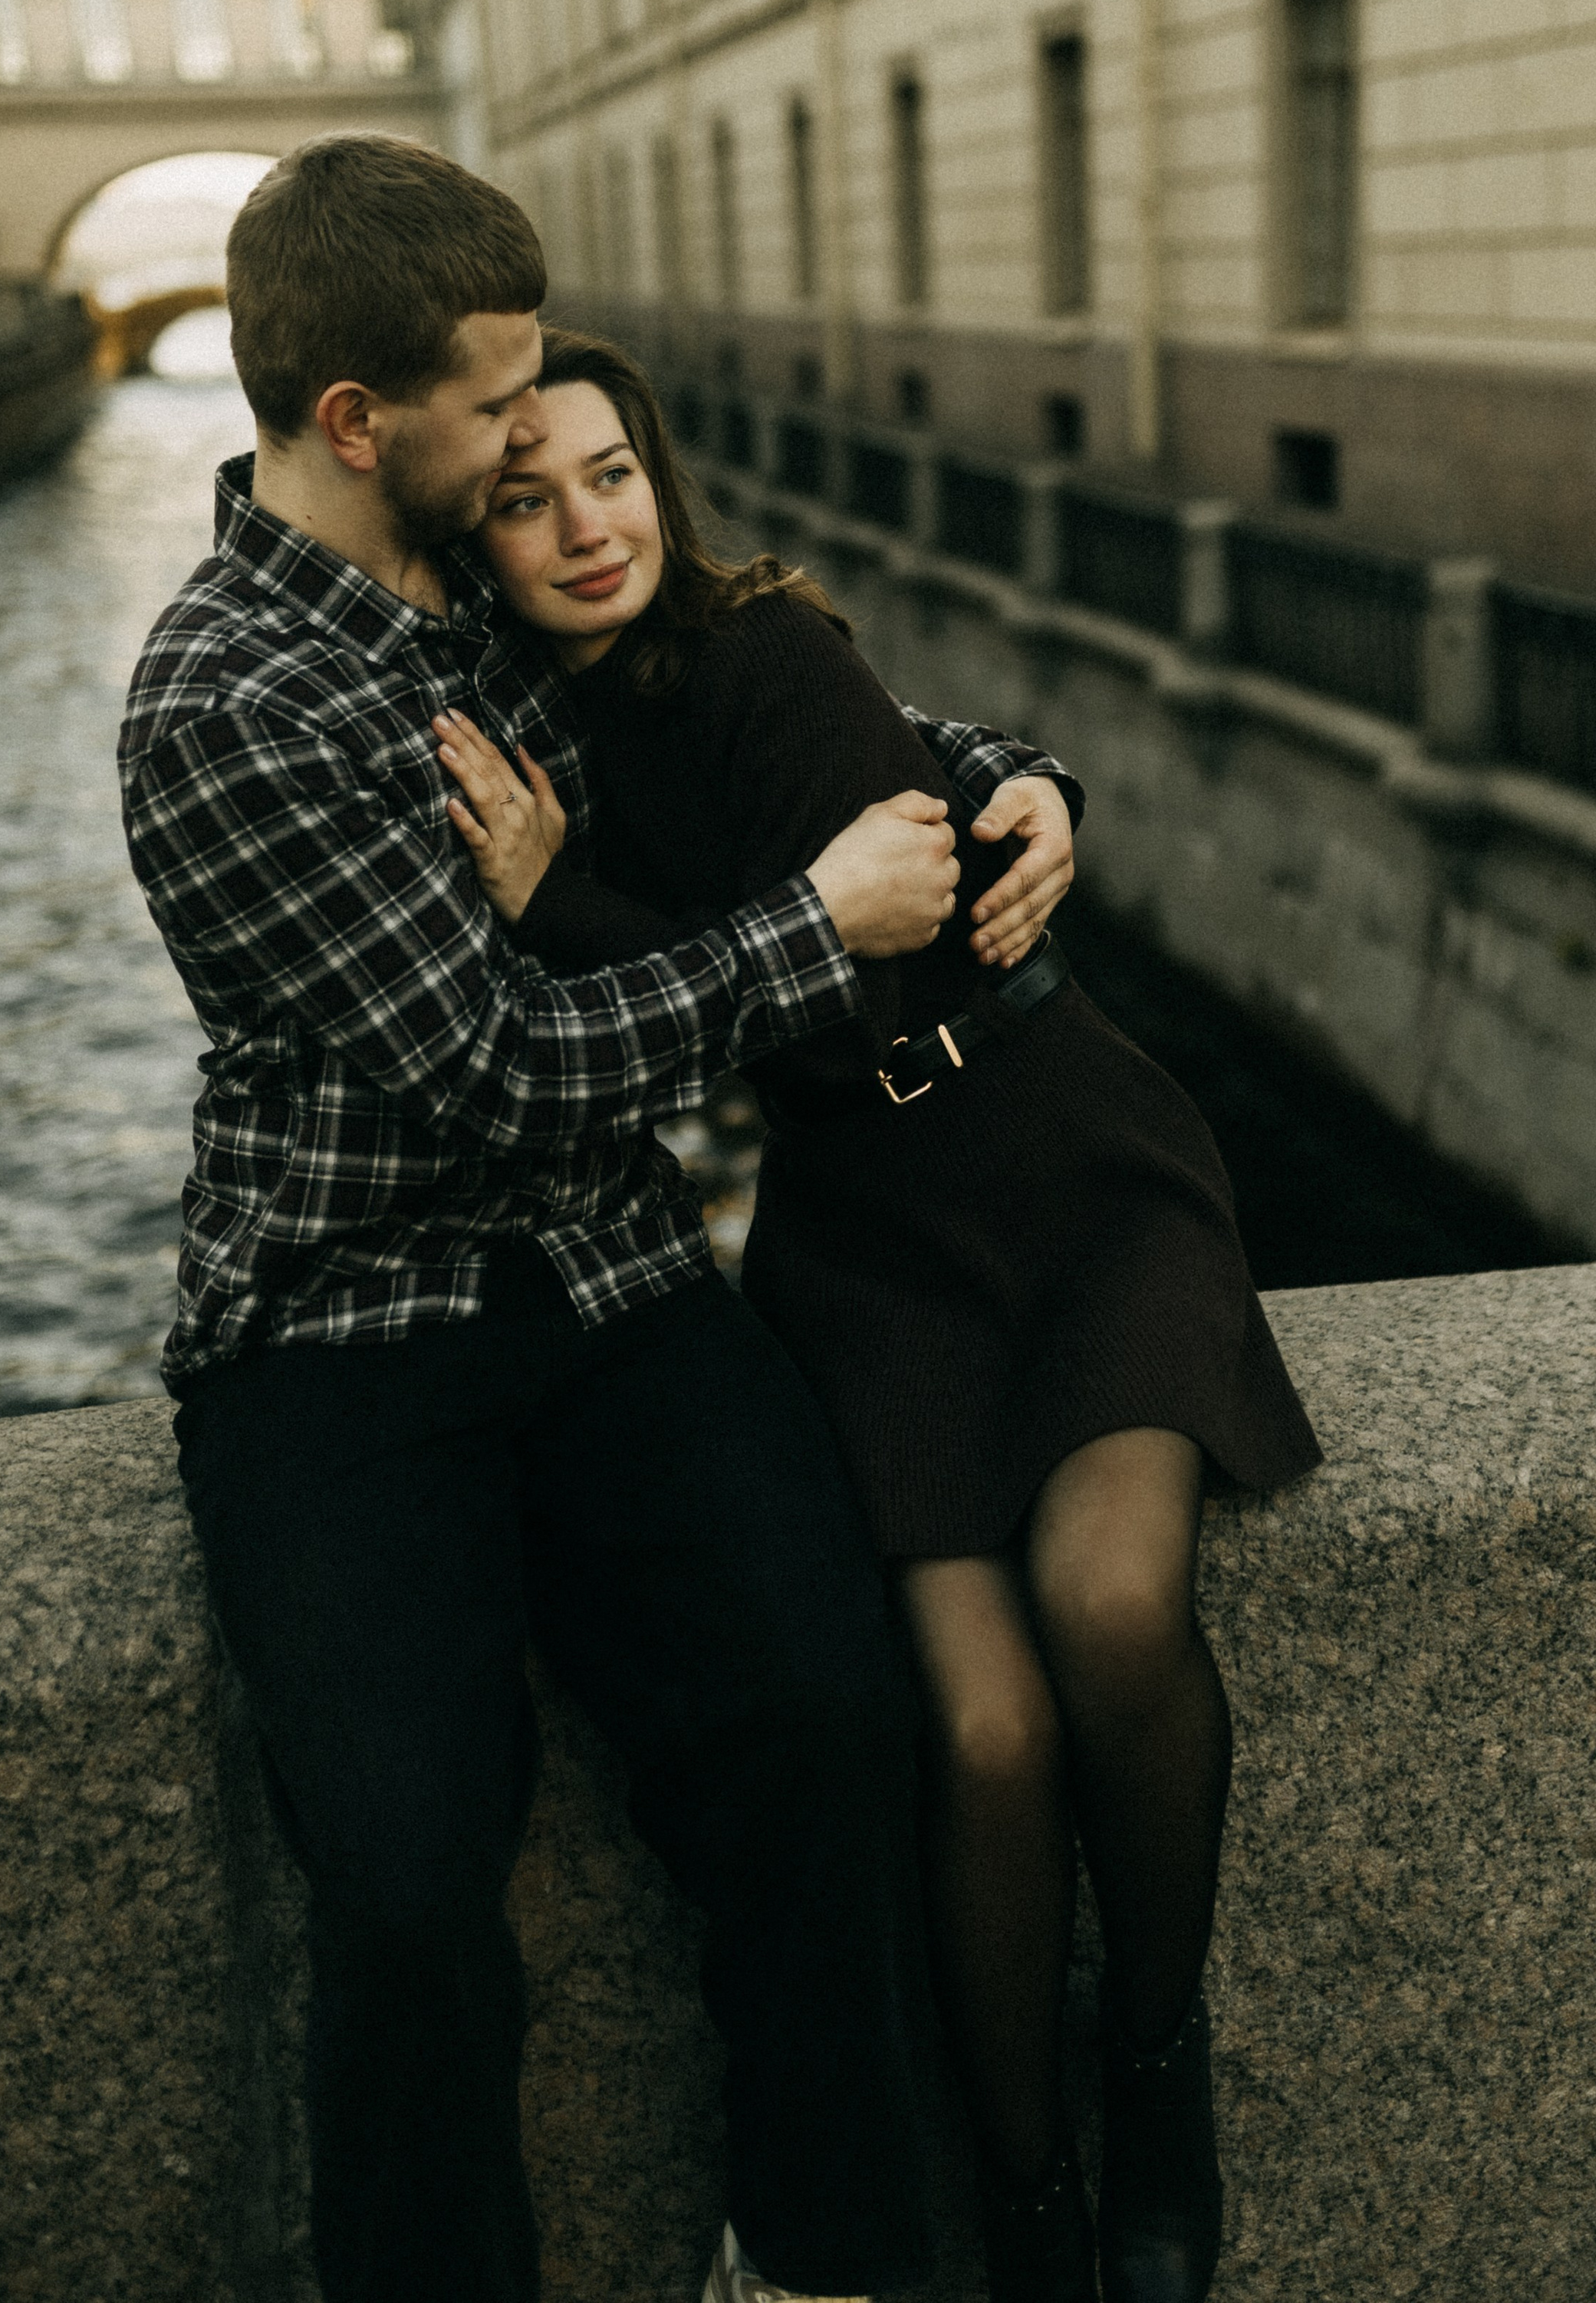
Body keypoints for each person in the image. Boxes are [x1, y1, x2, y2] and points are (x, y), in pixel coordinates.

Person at [117, 133, 1088, 2303]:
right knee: (401, 1882)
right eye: (500, 399)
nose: (540, 439)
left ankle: (820, 2257)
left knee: (831, 1729)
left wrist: (1011, 776)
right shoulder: (221, 707)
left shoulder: (481, 579)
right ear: (361, 423)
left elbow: (749, 692)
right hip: (342, 1344)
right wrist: (813, 930)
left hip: (617, 1285)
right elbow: (490, 1068)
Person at [445, 329, 1325, 2303]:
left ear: (658, 474)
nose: (586, 525)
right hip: (864, 1249)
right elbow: (696, 1037)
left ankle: (1154, 2071)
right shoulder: (521, 739)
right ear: (472, 535)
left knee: (1107, 1610)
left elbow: (886, 953)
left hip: (1068, 1172)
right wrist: (608, 909)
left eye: (607, 472)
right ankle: (1018, 2191)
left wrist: (569, 919)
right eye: (523, 497)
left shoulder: (766, 647)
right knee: (984, 1732)